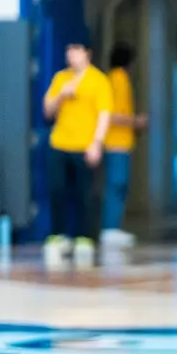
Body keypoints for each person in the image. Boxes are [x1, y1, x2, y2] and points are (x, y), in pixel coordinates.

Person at [42, 40, 112, 267]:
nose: (72, 55)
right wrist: (62, 95)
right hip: (60, 142)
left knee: (85, 193)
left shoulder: (98, 80)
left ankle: (84, 236)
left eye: (76, 50)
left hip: (84, 144)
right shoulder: (61, 79)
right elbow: (48, 110)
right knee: (57, 189)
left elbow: (104, 113)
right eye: (68, 50)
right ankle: (58, 235)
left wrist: (97, 143)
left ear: (87, 53)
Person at [100, 42, 146, 250]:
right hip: (116, 142)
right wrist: (136, 121)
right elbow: (113, 114)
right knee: (117, 185)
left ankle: (112, 227)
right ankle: (110, 228)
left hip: (118, 142)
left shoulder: (112, 78)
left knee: (117, 184)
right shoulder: (119, 79)